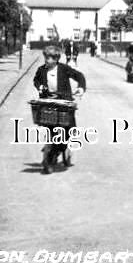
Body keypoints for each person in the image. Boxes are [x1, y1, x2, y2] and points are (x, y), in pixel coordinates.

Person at [32, 44, 86, 174]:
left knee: (68, 129)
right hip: (48, 103)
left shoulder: (63, 69)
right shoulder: (41, 70)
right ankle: (52, 154)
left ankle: (61, 148)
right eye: (46, 57)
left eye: (50, 58)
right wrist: (39, 87)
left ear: (56, 59)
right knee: (51, 129)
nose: (47, 60)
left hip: (64, 102)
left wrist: (81, 87)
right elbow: (36, 80)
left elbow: (79, 76)